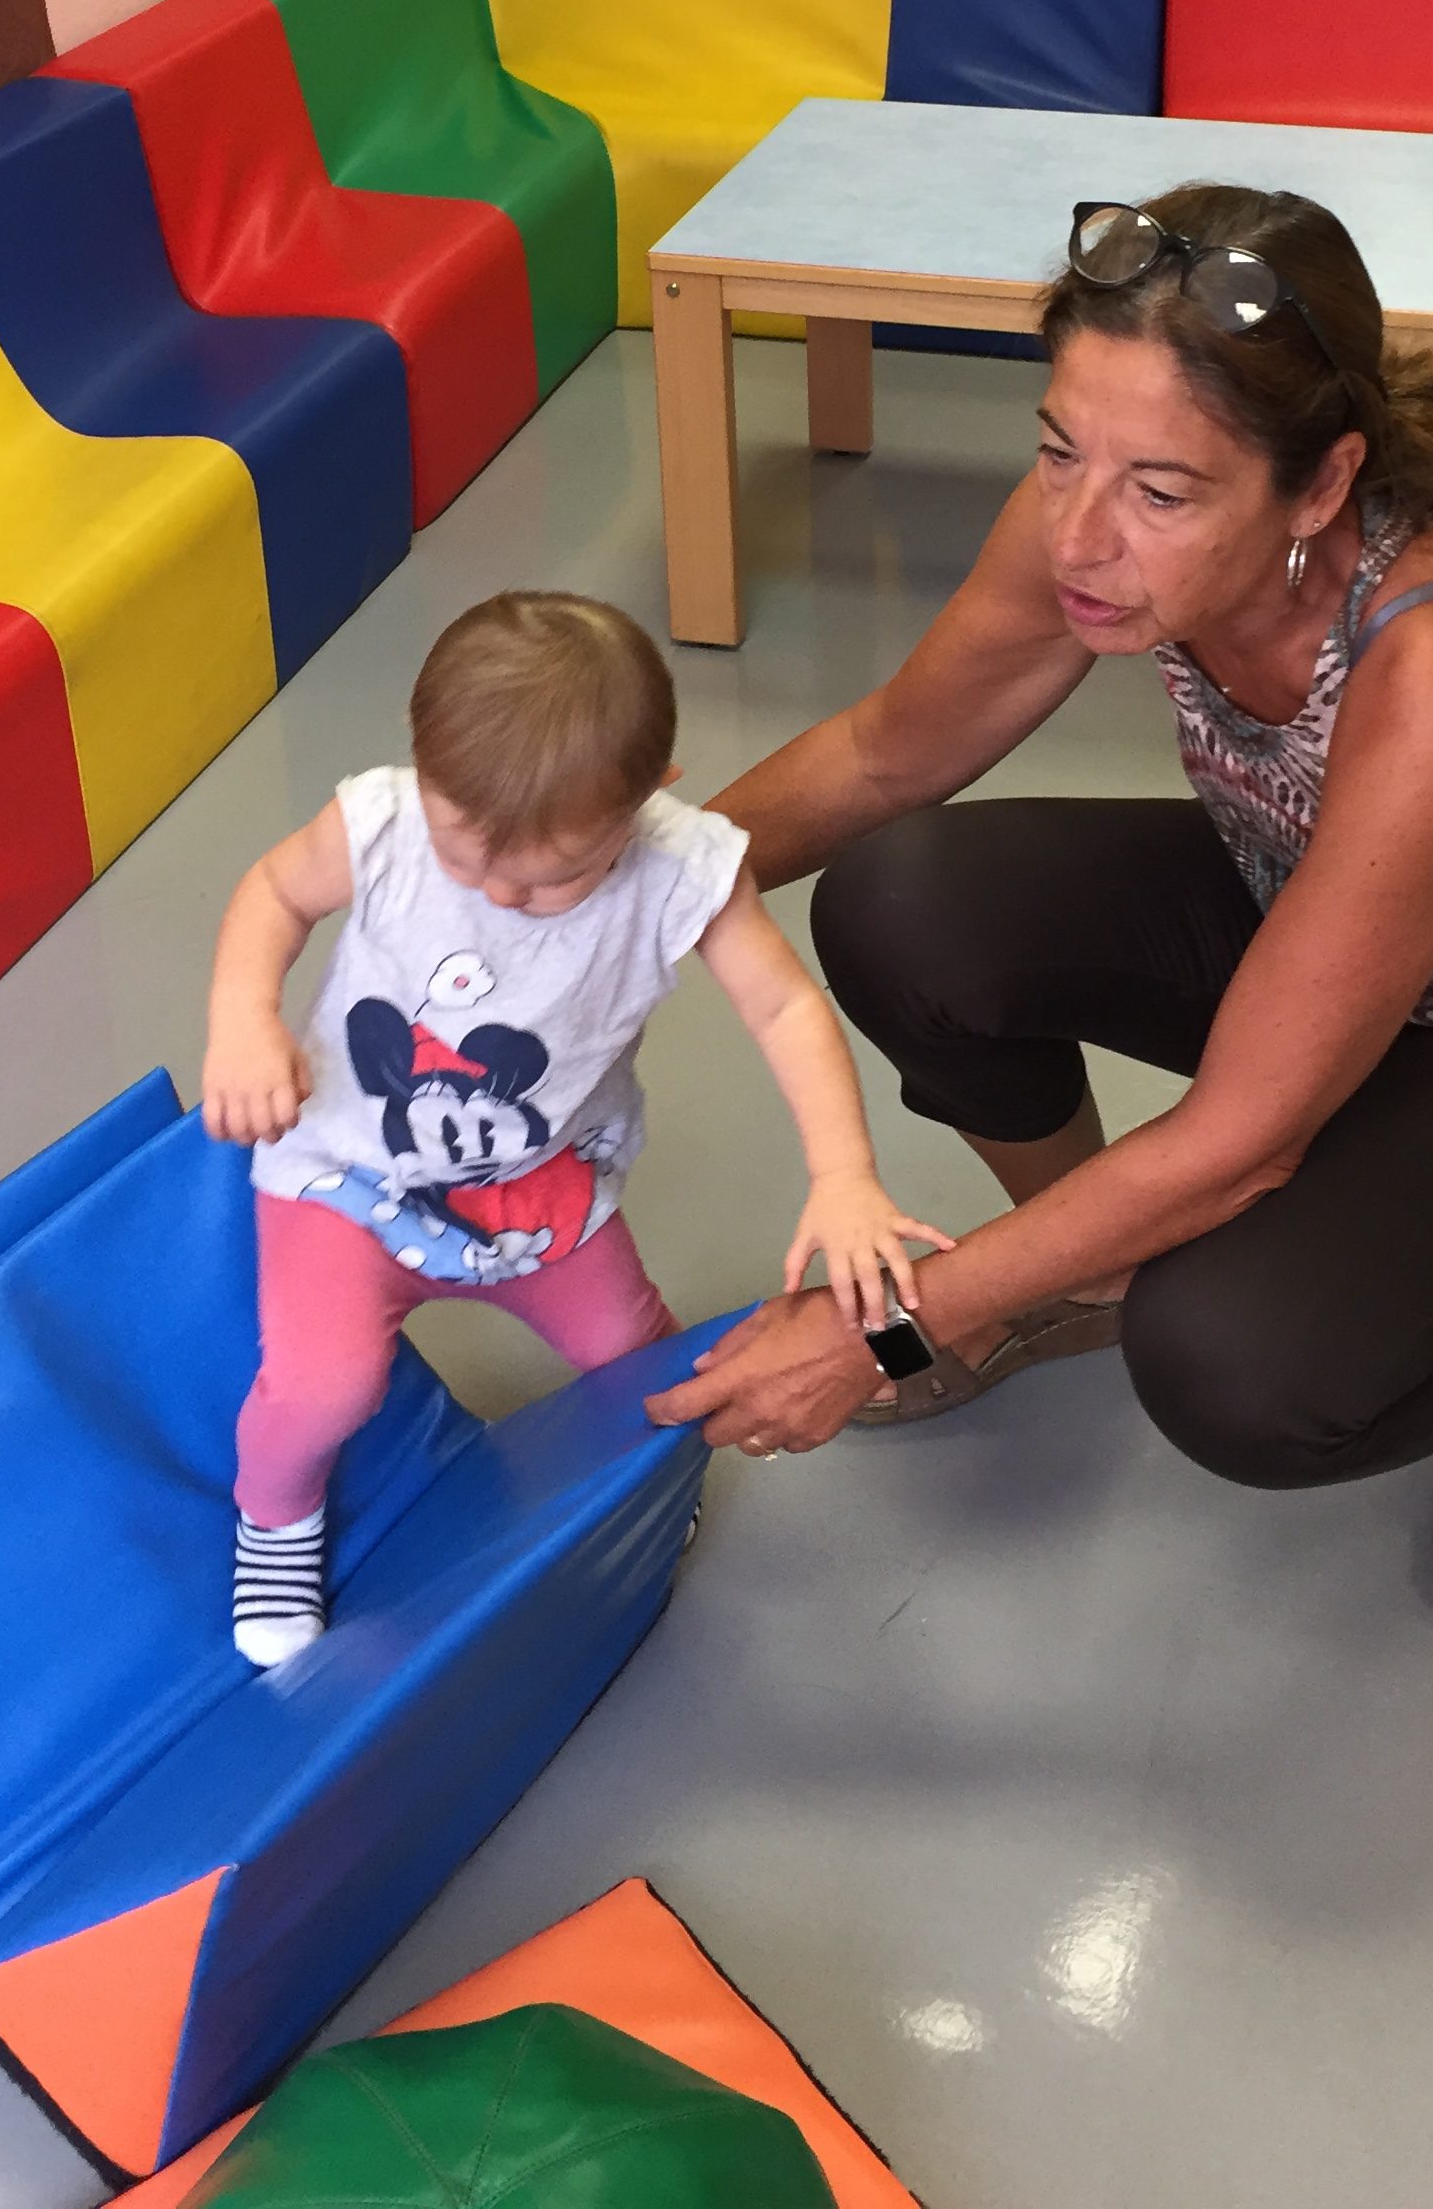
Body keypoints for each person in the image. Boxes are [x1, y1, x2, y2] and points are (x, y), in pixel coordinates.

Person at [648, 186, 1433, 1613]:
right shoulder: (1106, 506)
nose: (1078, 538)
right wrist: (609, 896)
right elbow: (884, 756)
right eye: (1059, 450)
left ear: (1320, 485)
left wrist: (881, 1329)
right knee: (902, 904)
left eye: (1161, 494)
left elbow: (1241, 1142)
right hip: (1317, 917)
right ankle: (1081, 1270)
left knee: (1236, 1360)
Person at [199, 588, 947, 1664]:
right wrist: (242, 1016)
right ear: (424, 769)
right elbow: (275, 893)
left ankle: (637, 1491)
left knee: (643, 1366)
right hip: (348, 1178)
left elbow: (785, 1008)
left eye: (553, 879)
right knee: (326, 1388)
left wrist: (844, 1174)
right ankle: (273, 1518)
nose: (503, 896)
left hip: (542, 1200)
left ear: (651, 795)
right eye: (468, 858)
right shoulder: (385, 825)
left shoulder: (682, 868)